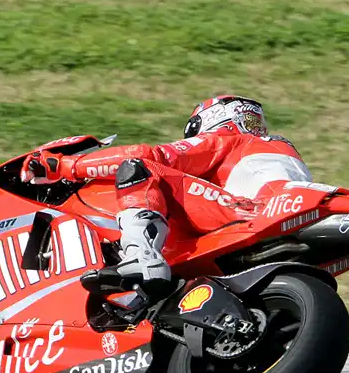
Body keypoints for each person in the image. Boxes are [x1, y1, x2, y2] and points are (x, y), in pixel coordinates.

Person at [20, 95, 313, 291]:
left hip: (248, 211)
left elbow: (149, 154)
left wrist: (65, 166)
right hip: (280, 215)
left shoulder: (227, 138)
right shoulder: (278, 147)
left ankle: (141, 256)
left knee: (138, 168)